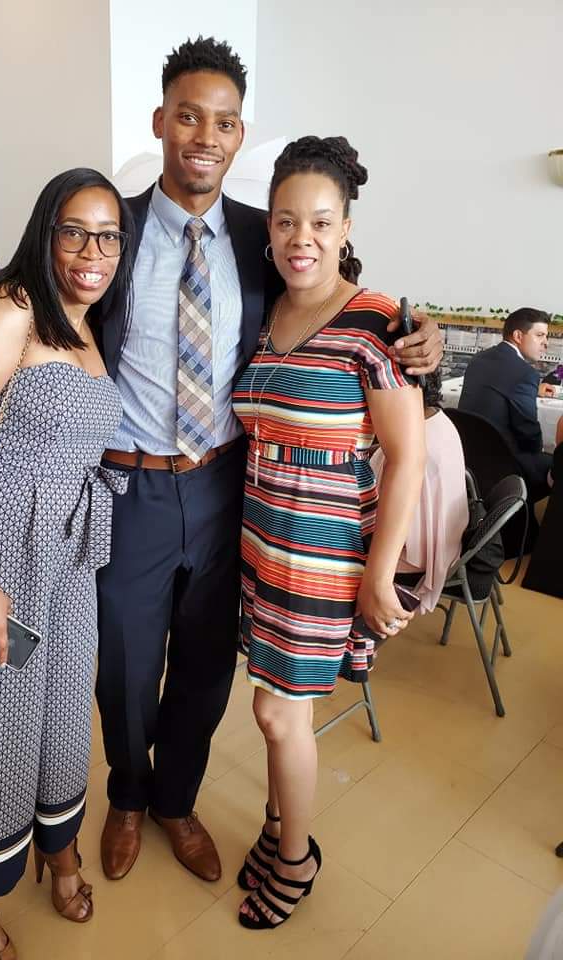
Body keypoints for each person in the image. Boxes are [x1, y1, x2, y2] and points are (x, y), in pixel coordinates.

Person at [0, 37, 443, 885]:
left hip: (230, 485)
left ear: (238, 135)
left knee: (201, 662)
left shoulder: (262, 237)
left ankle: (176, 801)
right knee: (121, 662)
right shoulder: (106, 232)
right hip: (127, 487)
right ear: (161, 121)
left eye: (224, 122)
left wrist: (421, 338)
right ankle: (125, 796)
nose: (205, 135)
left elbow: (344, 293)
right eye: (188, 115)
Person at [0, 168, 134, 959]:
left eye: (109, 235)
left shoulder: (88, 323)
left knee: (66, 721)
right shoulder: (11, 311)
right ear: (45, 232)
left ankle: (58, 851)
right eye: (73, 230)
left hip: (67, 560)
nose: (91, 250)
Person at [231, 135, 426, 929]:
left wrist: (379, 578)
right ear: (269, 228)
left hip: (327, 554)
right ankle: (281, 819)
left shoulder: (378, 321)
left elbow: (408, 456)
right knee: (267, 708)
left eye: (319, 222)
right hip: (262, 542)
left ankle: (296, 859)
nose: (299, 238)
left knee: (283, 715)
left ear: (345, 226)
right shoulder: (267, 307)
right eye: (285, 222)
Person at [371, 367, 469, 611]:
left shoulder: (410, 448)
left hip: (416, 558)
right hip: (444, 544)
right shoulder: (438, 420)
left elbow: (392, 528)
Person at [459, 308, 553, 500]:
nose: (546, 343)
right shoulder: (525, 373)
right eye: (540, 335)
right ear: (518, 335)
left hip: (467, 456)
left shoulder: (478, 360)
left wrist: (534, 389)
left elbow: (498, 389)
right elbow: (528, 432)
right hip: (504, 464)